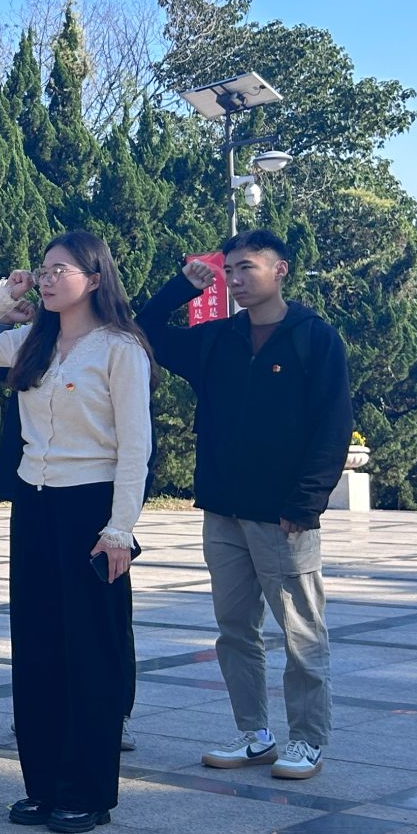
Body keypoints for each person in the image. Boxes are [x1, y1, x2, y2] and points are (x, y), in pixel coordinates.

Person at [0, 231, 153, 833]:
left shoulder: (121, 348)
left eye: (62, 269)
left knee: (91, 650)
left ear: (95, 279)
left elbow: (135, 448)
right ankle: (43, 785)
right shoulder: (32, 342)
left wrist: (120, 530)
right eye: (43, 269)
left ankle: (88, 790)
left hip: (91, 508)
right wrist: (1, 297)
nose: (47, 278)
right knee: (37, 647)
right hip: (35, 505)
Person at [137, 231, 352, 781]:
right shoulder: (218, 339)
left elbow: (332, 426)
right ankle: (255, 734)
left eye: (247, 268)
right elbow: (145, 331)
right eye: (229, 269)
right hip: (223, 510)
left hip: (284, 515)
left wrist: (306, 503)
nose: (234, 279)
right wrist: (180, 288)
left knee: (301, 632)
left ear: (280, 270)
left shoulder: (314, 337)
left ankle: (308, 740)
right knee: (235, 629)